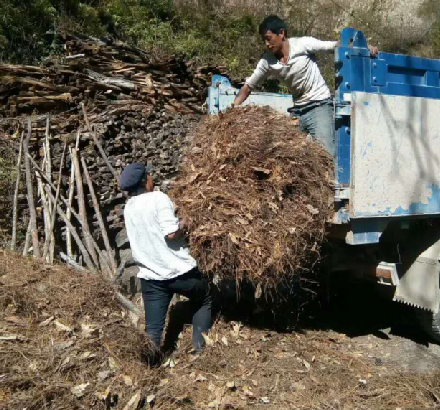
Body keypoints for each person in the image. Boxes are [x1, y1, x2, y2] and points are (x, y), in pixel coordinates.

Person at [233, 15, 378, 156]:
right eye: (263, 40)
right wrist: (232, 110)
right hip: (297, 111)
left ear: (281, 33)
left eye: (268, 38)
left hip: (319, 105)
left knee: (325, 153)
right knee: (288, 156)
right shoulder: (267, 61)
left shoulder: (302, 44)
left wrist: (362, 47)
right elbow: (248, 87)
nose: (266, 44)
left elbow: (334, 45)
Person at [120, 163, 212, 358]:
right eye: (150, 175)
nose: (153, 178)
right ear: (145, 180)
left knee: (153, 329)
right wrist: (185, 224)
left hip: (151, 278)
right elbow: (171, 233)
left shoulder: (129, 207)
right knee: (205, 299)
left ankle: (148, 365)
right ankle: (199, 348)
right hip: (180, 273)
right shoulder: (158, 198)